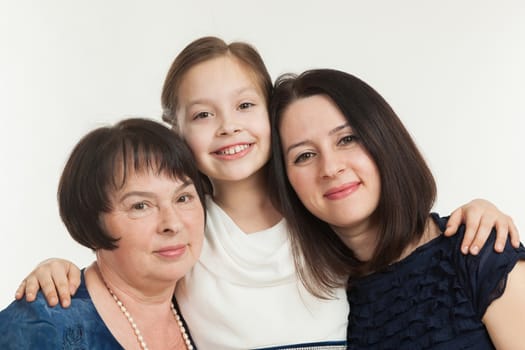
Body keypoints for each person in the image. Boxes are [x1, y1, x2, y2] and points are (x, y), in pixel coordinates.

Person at [14, 37, 520, 349]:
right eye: (203, 115)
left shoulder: (320, 223)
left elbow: (402, 240)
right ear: (177, 131)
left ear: (269, 118)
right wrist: (62, 270)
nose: (228, 128)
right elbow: (130, 273)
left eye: (244, 106)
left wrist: (477, 210)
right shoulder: (189, 231)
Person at [269, 68, 525, 348]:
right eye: (304, 155)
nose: (330, 167)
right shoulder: (325, 304)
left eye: (347, 139)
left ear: (383, 138)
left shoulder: (478, 249)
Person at [0, 118, 206, 349]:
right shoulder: (41, 325)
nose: (173, 224)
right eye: (140, 206)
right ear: (92, 220)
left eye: (183, 198)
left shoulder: (210, 310)